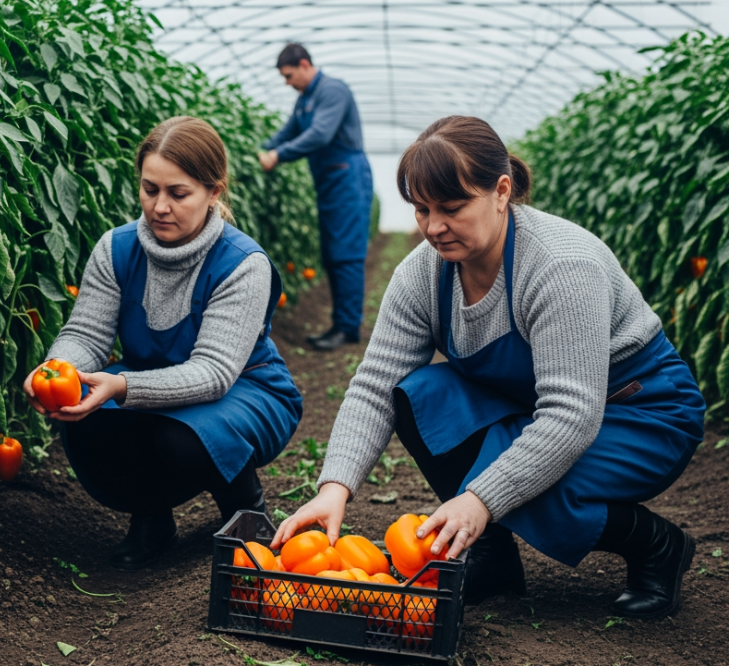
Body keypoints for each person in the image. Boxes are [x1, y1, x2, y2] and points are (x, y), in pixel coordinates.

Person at [271, 116, 705, 617]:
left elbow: (570, 416)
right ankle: (493, 559)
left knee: (535, 484)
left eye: (452, 208)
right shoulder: (422, 274)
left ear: (502, 192)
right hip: (534, 406)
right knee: (421, 394)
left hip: (638, 411)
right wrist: (334, 487)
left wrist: (479, 499)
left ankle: (656, 545)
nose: (433, 227)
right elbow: (374, 386)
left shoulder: (561, 267)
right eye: (421, 210)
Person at [25, 117, 304, 570]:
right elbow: (85, 334)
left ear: (214, 191)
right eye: (149, 189)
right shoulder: (115, 249)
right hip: (150, 385)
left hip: (245, 393)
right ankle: (151, 519)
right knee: (88, 419)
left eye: (178, 193)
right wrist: (57, 370)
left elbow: (213, 374)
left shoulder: (242, 264)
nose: (160, 207)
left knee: (185, 436)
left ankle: (248, 511)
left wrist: (121, 388)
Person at [259, 43, 374, 351]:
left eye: (288, 75)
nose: (287, 82)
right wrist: (259, 149)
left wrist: (277, 156)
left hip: (347, 179)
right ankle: (340, 323)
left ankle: (348, 328)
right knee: (333, 253)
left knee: (346, 254)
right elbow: (287, 133)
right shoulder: (304, 100)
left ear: (305, 64)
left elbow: (319, 135)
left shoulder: (333, 91)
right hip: (329, 181)